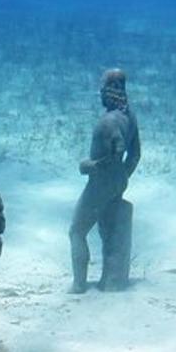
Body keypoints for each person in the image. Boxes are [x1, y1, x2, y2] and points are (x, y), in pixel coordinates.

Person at [68, 68, 141, 293]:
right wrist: (122, 176)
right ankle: (112, 281)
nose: (99, 92)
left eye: (102, 88)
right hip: (119, 183)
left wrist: (86, 166)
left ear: (109, 91)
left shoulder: (106, 123)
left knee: (76, 232)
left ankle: (79, 285)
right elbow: (135, 154)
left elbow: (110, 156)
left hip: (100, 186)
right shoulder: (130, 116)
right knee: (109, 228)